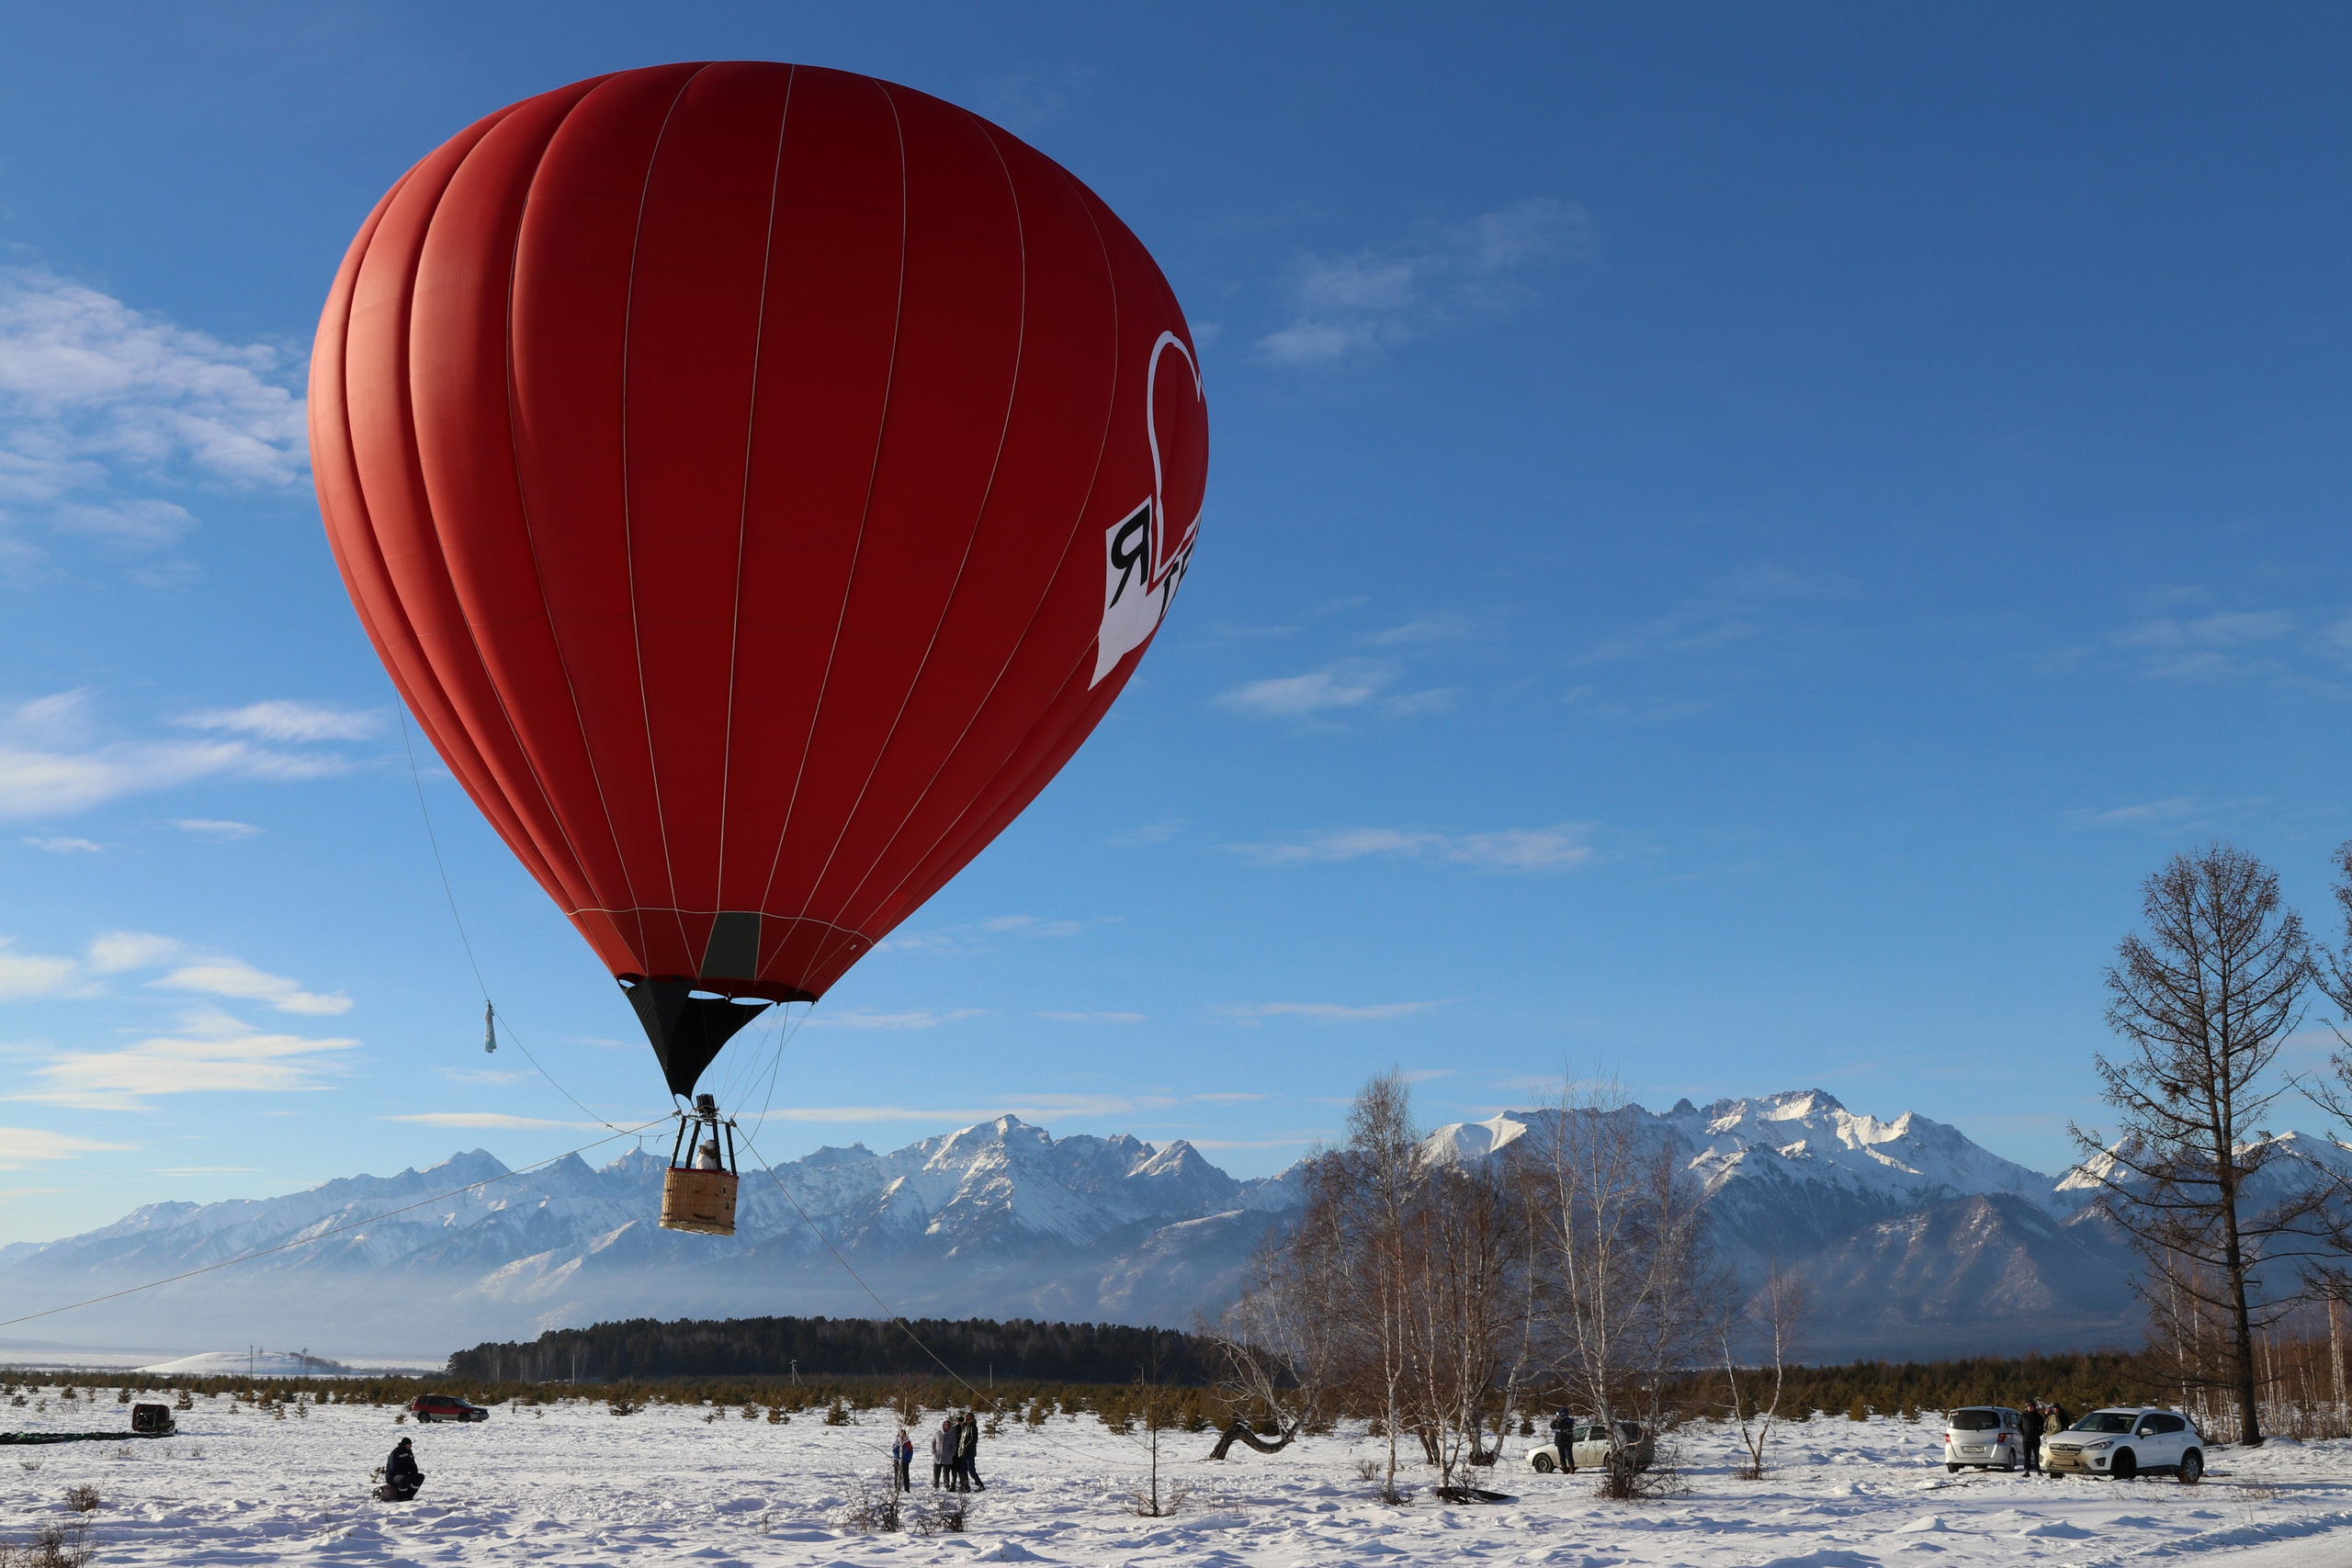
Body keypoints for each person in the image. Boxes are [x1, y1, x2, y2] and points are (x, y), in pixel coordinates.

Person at [379, 1436, 423, 1502]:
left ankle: (409, 1495)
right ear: (405, 1444)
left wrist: (414, 1475)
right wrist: (405, 1474)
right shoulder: (396, 1453)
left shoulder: (409, 1453)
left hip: (405, 1475)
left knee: (420, 1477)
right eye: (409, 1444)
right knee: (405, 1478)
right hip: (393, 1476)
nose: (411, 1446)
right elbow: (393, 1468)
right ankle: (402, 1496)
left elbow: (413, 1465)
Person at [959, 1407, 984, 1493]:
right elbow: (962, 1439)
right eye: (965, 1416)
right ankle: (966, 1486)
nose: (965, 1417)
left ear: (971, 1417)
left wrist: (966, 1446)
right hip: (962, 1452)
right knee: (963, 1470)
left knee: (971, 1470)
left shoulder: (973, 1427)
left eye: (967, 1416)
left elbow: (974, 1439)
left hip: (969, 1452)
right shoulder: (964, 1427)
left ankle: (980, 1485)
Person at [2018, 1401, 2044, 1474]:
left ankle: (2038, 1470)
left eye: (2031, 1406)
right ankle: (2027, 1470)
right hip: (2026, 1439)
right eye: (2028, 1406)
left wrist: (2040, 1432)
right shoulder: (2023, 1416)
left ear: (2034, 1407)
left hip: (2035, 1439)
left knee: (2036, 1455)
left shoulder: (2038, 1416)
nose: (2030, 1407)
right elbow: (2018, 1425)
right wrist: (2022, 1432)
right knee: (2027, 1456)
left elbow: (2042, 1426)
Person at [1550, 1408, 1577, 1474]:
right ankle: (1564, 1469)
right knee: (1561, 1456)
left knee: (1569, 1455)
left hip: (1567, 1440)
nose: (1560, 1415)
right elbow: (1552, 1426)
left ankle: (1571, 1468)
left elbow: (1565, 1426)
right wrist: (1555, 1420)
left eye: (1561, 1413)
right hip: (1559, 1441)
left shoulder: (1569, 1420)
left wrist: (1559, 1422)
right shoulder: (1557, 1420)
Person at [932, 1416, 956, 1488]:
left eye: (947, 1425)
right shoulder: (938, 1433)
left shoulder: (952, 1435)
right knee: (936, 1473)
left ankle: (946, 1486)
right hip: (937, 1457)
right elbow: (933, 1442)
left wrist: (950, 1454)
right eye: (945, 1425)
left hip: (947, 1458)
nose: (946, 1427)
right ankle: (936, 1485)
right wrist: (933, 1451)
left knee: (946, 1473)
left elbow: (954, 1446)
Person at [892, 1427, 914, 1492]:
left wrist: (908, 1459)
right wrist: (898, 1457)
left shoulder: (908, 1442)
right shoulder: (897, 1441)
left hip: (905, 1461)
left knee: (906, 1475)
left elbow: (911, 1451)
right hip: (897, 1461)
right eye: (900, 1434)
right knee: (897, 1475)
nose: (902, 1435)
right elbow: (894, 1450)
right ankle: (897, 1488)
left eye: (903, 1434)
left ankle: (907, 1489)